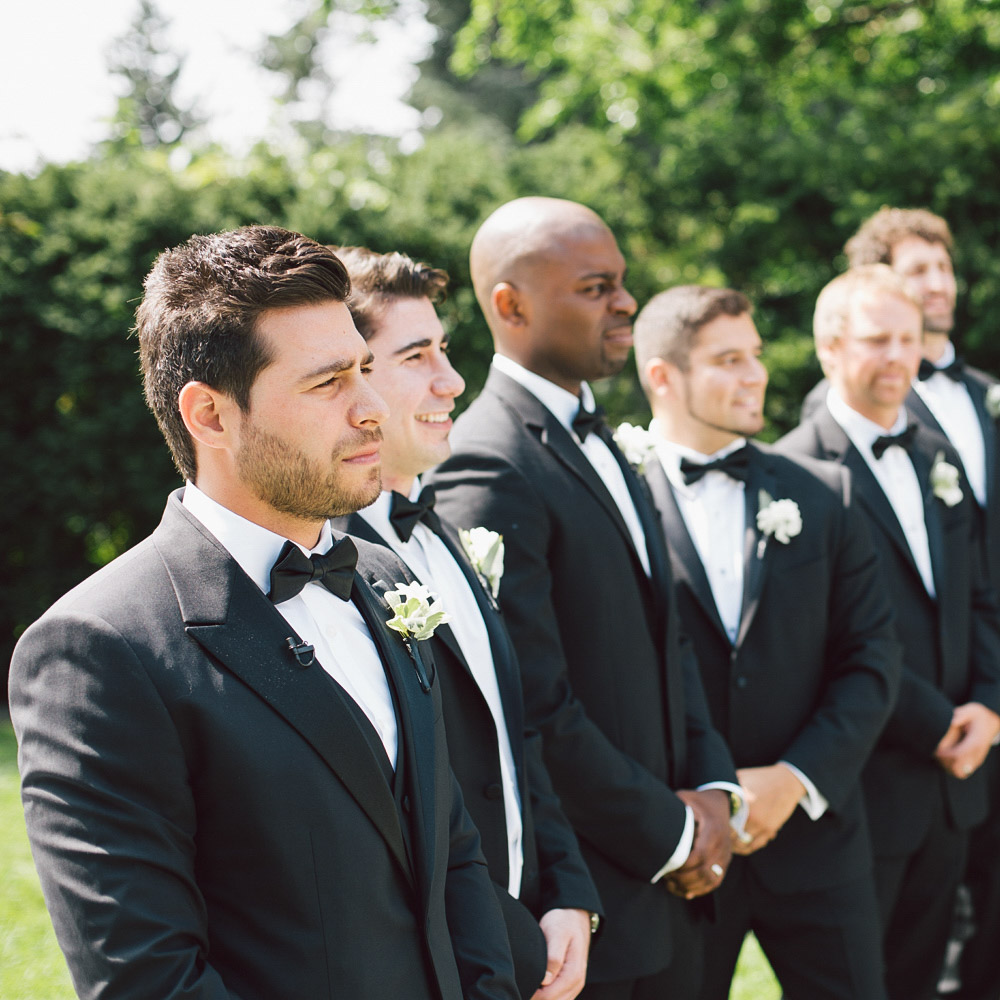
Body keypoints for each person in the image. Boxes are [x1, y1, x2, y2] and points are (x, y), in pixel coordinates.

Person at [8, 225, 519, 1000]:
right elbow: (149, 978)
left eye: (365, 371)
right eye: (328, 383)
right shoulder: (98, 651)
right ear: (210, 415)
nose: (373, 408)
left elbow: (453, 849)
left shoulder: (382, 580)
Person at [428, 197, 742, 1000]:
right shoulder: (487, 463)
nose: (627, 303)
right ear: (511, 304)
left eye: (623, 283)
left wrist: (714, 792)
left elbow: (669, 640)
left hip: (685, 887)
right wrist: (673, 833)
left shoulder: (611, 437)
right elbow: (530, 701)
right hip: (603, 901)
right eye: (597, 287)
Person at [331, 245, 602, 1000]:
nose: (451, 380)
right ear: (347, 381)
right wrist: (509, 942)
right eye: (416, 356)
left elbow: (515, 733)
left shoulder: (444, 530)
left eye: (443, 350)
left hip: (532, 932)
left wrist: (567, 891)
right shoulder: (323, 572)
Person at [633, 284, 900, 999]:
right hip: (679, 850)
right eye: (729, 359)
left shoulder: (825, 494)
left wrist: (795, 780)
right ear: (663, 376)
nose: (757, 373)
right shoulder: (613, 504)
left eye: (755, 355)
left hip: (818, 842)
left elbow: (872, 658)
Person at [780, 264, 1000, 1000]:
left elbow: (981, 595)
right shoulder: (793, 472)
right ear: (830, 349)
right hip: (863, 788)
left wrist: (990, 704)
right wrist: (937, 720)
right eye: (877, 339)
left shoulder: (940, 460)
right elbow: (823, 640)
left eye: (908, 339)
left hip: (954, 780)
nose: (898, 356)